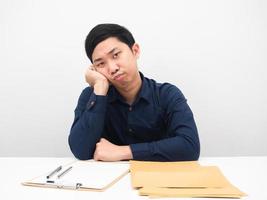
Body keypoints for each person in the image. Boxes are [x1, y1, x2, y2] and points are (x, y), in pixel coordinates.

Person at [68, 23, 200, 162]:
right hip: (109, 180)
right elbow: (80, 150)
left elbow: (189, 147)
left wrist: (123, 152)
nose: (112, 68)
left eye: (116, 55)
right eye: (101, 64)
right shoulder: (92, 96)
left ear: (135, 51)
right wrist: (100, 86)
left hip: (157, 180)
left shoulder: (167, 95)